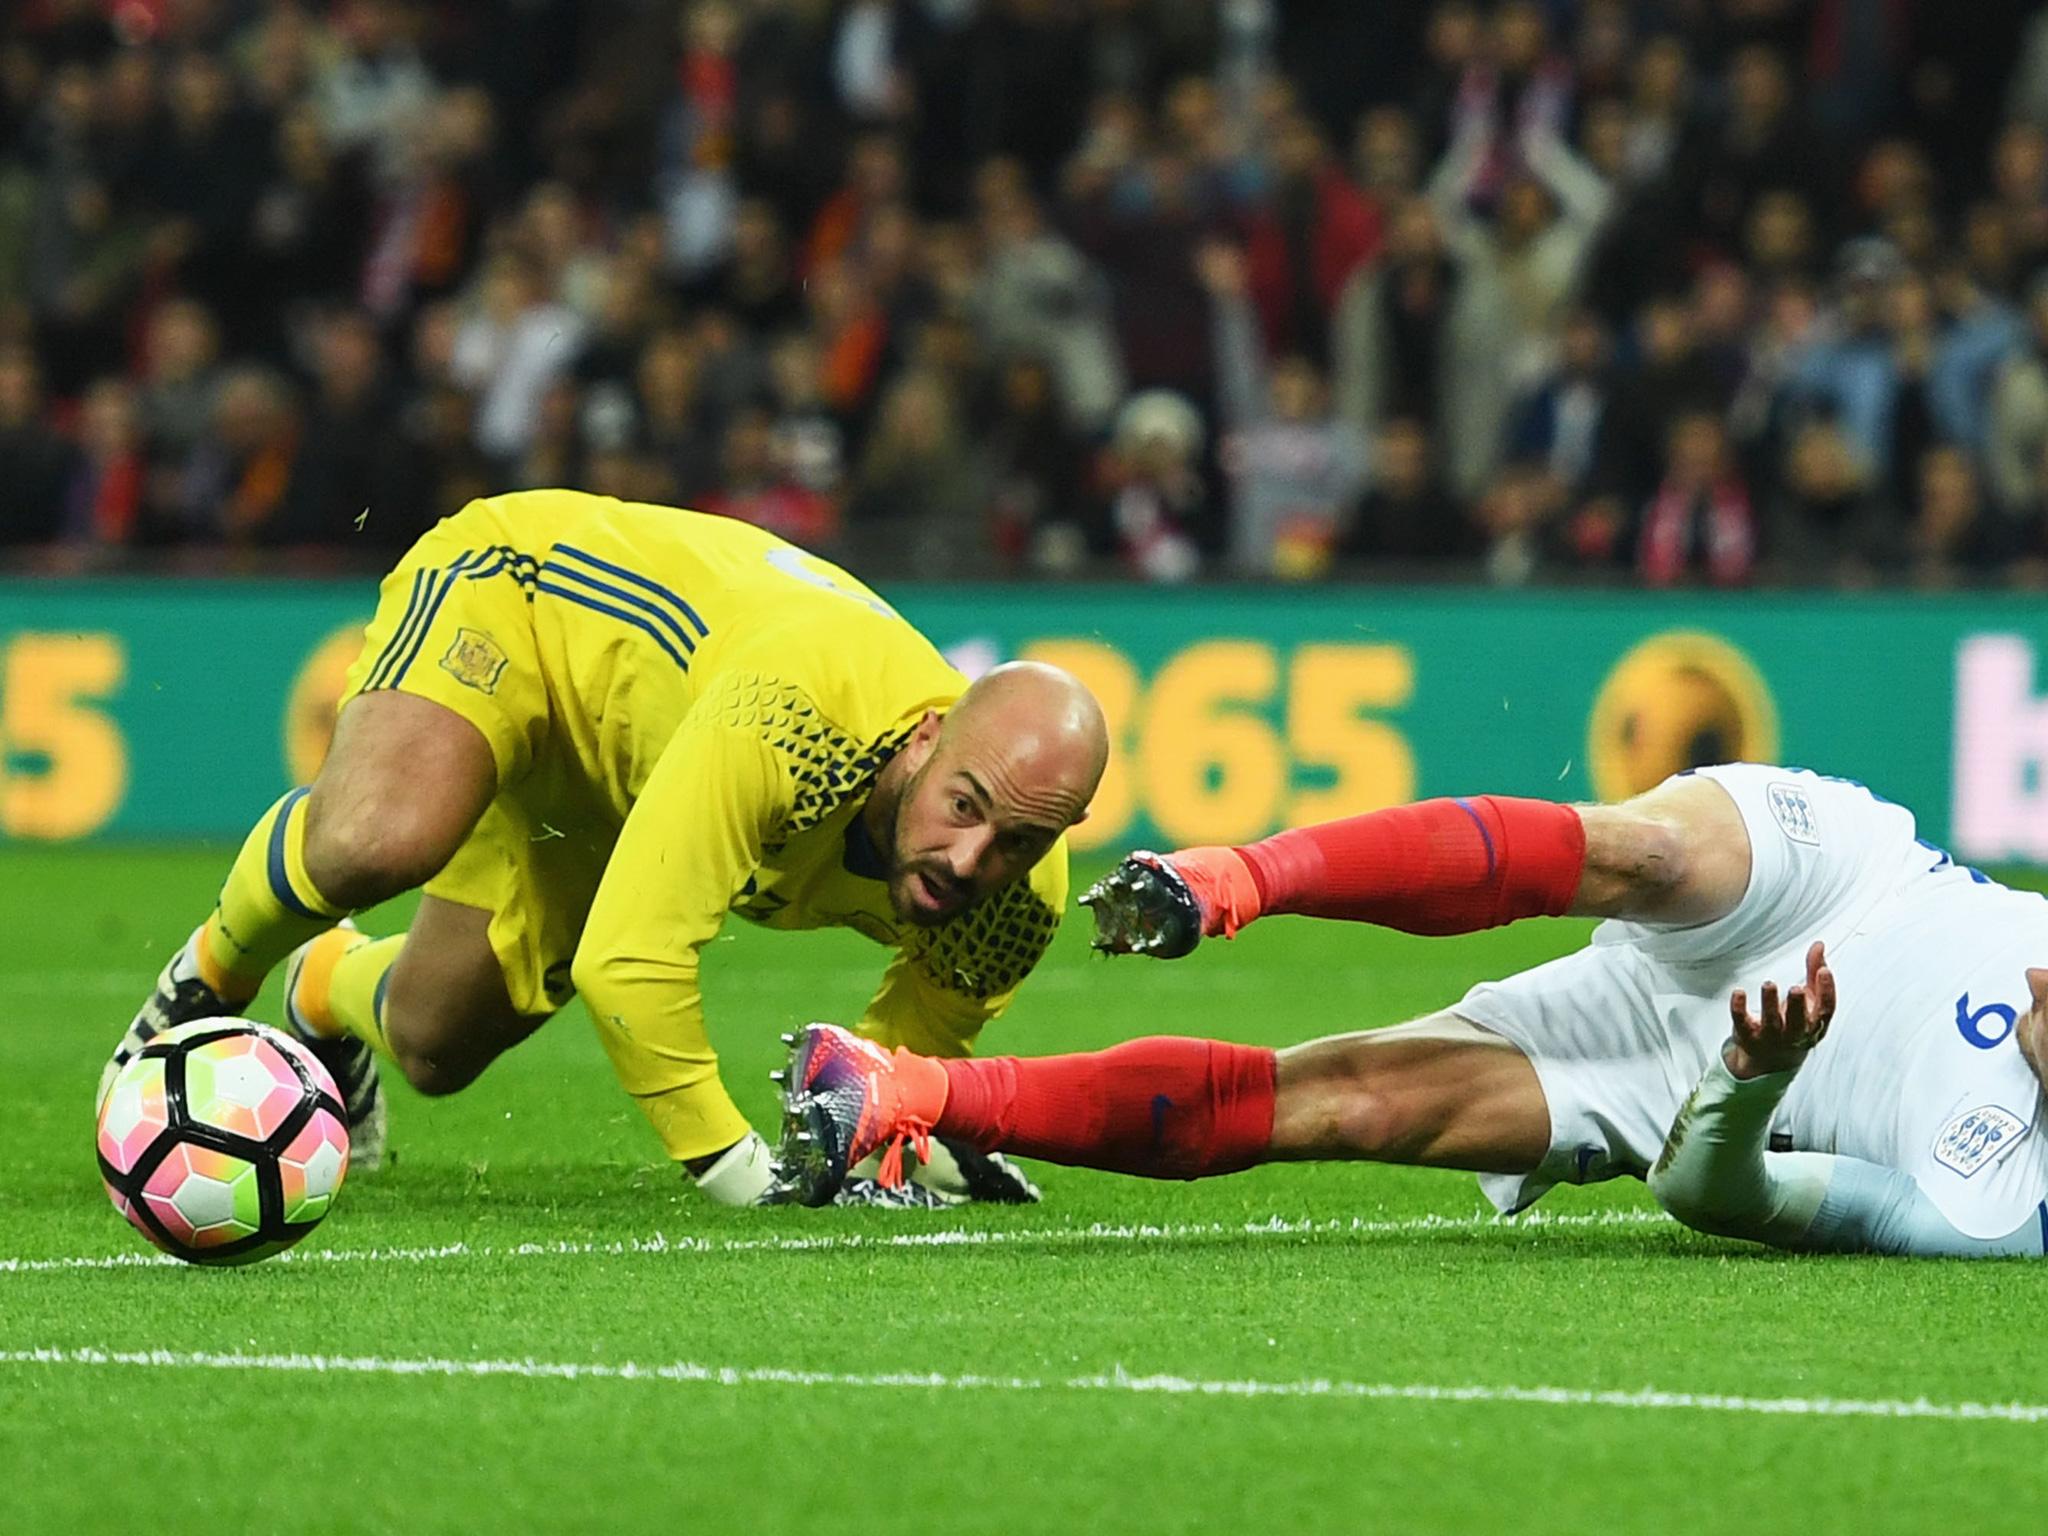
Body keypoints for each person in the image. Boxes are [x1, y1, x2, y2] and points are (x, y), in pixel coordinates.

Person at [104, 490, 1107, 1210]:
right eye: (964, 807)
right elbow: (629, 962)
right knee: (378, 838)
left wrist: (909, 1145)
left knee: (432, 1043)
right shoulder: (799, 718)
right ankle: (209, 973)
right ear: (926, 736)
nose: (972, 860)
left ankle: (323, 989)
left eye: (1018, 842)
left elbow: (899, 1063)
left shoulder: (1015, 904)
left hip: (639, 771)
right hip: (525, 601)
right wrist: (735, 1171)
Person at [777, 766, 2048, 1256]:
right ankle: (1238, 878)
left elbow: (1723, 1199)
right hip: (1853, 878)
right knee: (1648, 856)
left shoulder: (1991, 1210)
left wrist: (1753, 1083)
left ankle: (906, 1093)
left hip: (1704, 1078)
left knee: (1356, 1101)